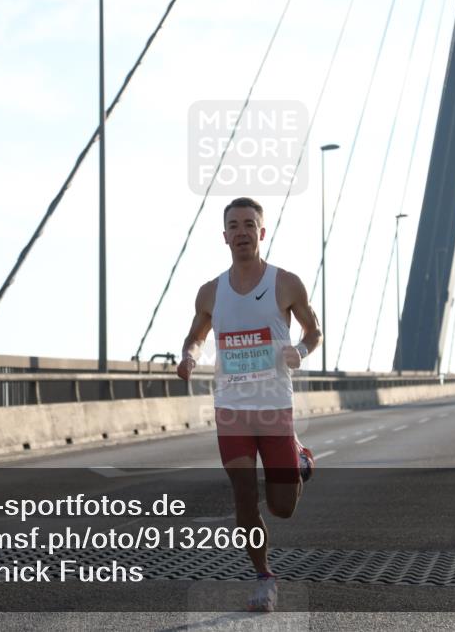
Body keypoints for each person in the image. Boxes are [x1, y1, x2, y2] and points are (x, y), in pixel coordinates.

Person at [177, 197, 322, 612]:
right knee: (243, 495)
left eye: (248, 224)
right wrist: (189, 357)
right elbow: (195, 337)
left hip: (274, 407)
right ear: (224, 236)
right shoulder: (210, 292)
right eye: (233, 226)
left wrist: (300, 351)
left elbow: (314, 331)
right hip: (231, 408)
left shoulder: (285, 283)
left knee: (281, 507)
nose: (241, 232)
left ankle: (299, 456)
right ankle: (264, 577)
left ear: (261, 232)